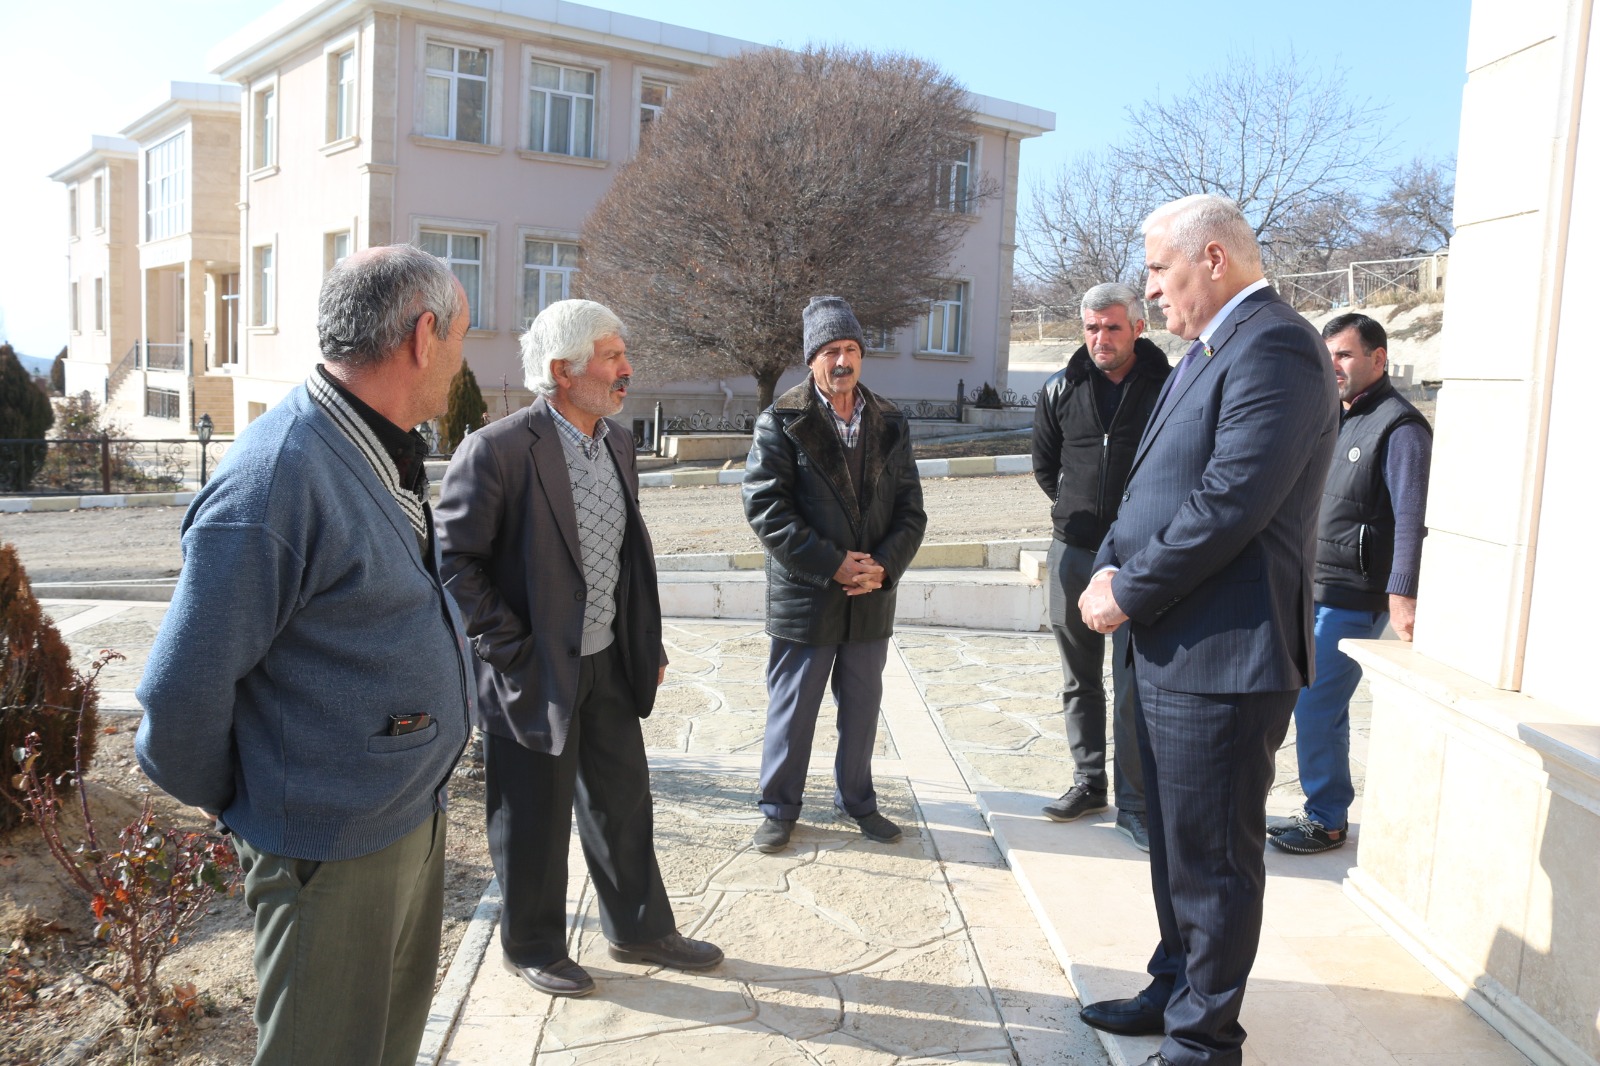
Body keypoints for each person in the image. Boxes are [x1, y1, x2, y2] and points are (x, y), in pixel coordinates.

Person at [135, 244, 475, 1066]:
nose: (467, 357)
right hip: (327, 854)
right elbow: (178, 703)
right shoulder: (280, 476)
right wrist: (272, 814)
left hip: (401, 824)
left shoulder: (372, 440)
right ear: (424, 336)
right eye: (465, 334)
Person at [1075, 194, 1339, 1066]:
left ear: (1214, 259)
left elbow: (1231, 501)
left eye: (1159, 269)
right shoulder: (1205, 355)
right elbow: (1154, 487)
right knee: (1173, 846)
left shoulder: (1278, 348)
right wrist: (1109, 562)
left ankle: (1202, 1042)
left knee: (1216, 861)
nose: (1150, 291)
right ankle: (1173, 985)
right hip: (1171, 647)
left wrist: (1129, 589)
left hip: (1225, 655)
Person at [434, 299, 721, 999]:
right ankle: (531, 945)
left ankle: (639, 928)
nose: (627, 369)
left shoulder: (618, 441)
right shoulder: (498, 450)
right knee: (531, 814)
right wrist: (509, 647)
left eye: (623, 355)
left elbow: (628, 558)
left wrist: (641, 642)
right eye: (612, 356)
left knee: (622, 802)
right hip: (534, 668)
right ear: (563, 371)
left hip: (609, 662)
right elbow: (454, 561)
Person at [742, 295, 927, 854]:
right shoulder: (782, 421)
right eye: (829, 351)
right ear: (811, 359)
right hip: (807, 595)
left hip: (870, 596)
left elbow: (911, 511)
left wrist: (882, 568)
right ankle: (779, 807)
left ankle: (859, 801)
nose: (842, 361)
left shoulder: (891, 421)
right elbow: (766, 508)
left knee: (863, 709)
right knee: (793, 711)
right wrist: (834, 563)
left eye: (850, 349)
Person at [1269, 313, 1432, 855]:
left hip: (1353, 597)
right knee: (1309, 704)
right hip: (1311, 587)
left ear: (1377, 359)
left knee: (1317, 706)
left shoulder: (1400, 427)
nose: (1332, 365)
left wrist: (1402, 592)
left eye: (1343, 354)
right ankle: (1322, 809)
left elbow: (1412, 515)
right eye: (1327, 354)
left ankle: (1327, 819)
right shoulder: (1333, 417)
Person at [1031, 282, 1171, 851]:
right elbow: (1046, 465)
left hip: (1142, 555)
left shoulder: (1169, 385)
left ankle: (1136, 803)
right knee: (1078, 676)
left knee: (1134, 681)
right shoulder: (1060, 386)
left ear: (1138, 326)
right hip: (1075, 550)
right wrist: (1076, 512)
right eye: (1091, 327)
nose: (1100, 338)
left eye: (1112, 327)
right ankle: (1089, 781)